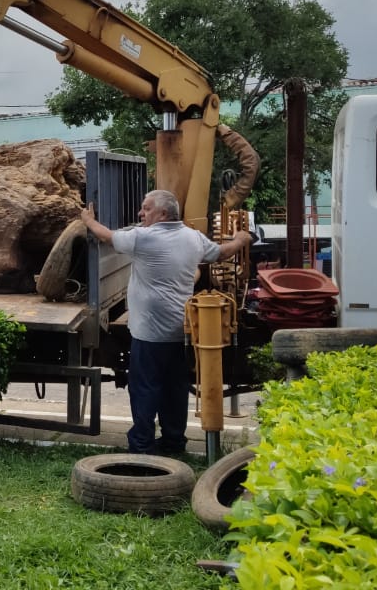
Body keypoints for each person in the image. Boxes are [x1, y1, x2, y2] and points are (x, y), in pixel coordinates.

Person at [80, 189, 250, 455]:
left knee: (145, 388)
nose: (140, 213)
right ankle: (173, 442)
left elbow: (107, 236)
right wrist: (240, 239)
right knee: (175, 389)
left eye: (146, 209)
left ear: (162, 213)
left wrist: (88, 220)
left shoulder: (144, 238)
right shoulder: (193, 239)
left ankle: (142, 445)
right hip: (180, 333)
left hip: (149, 334)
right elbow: (220, 252)